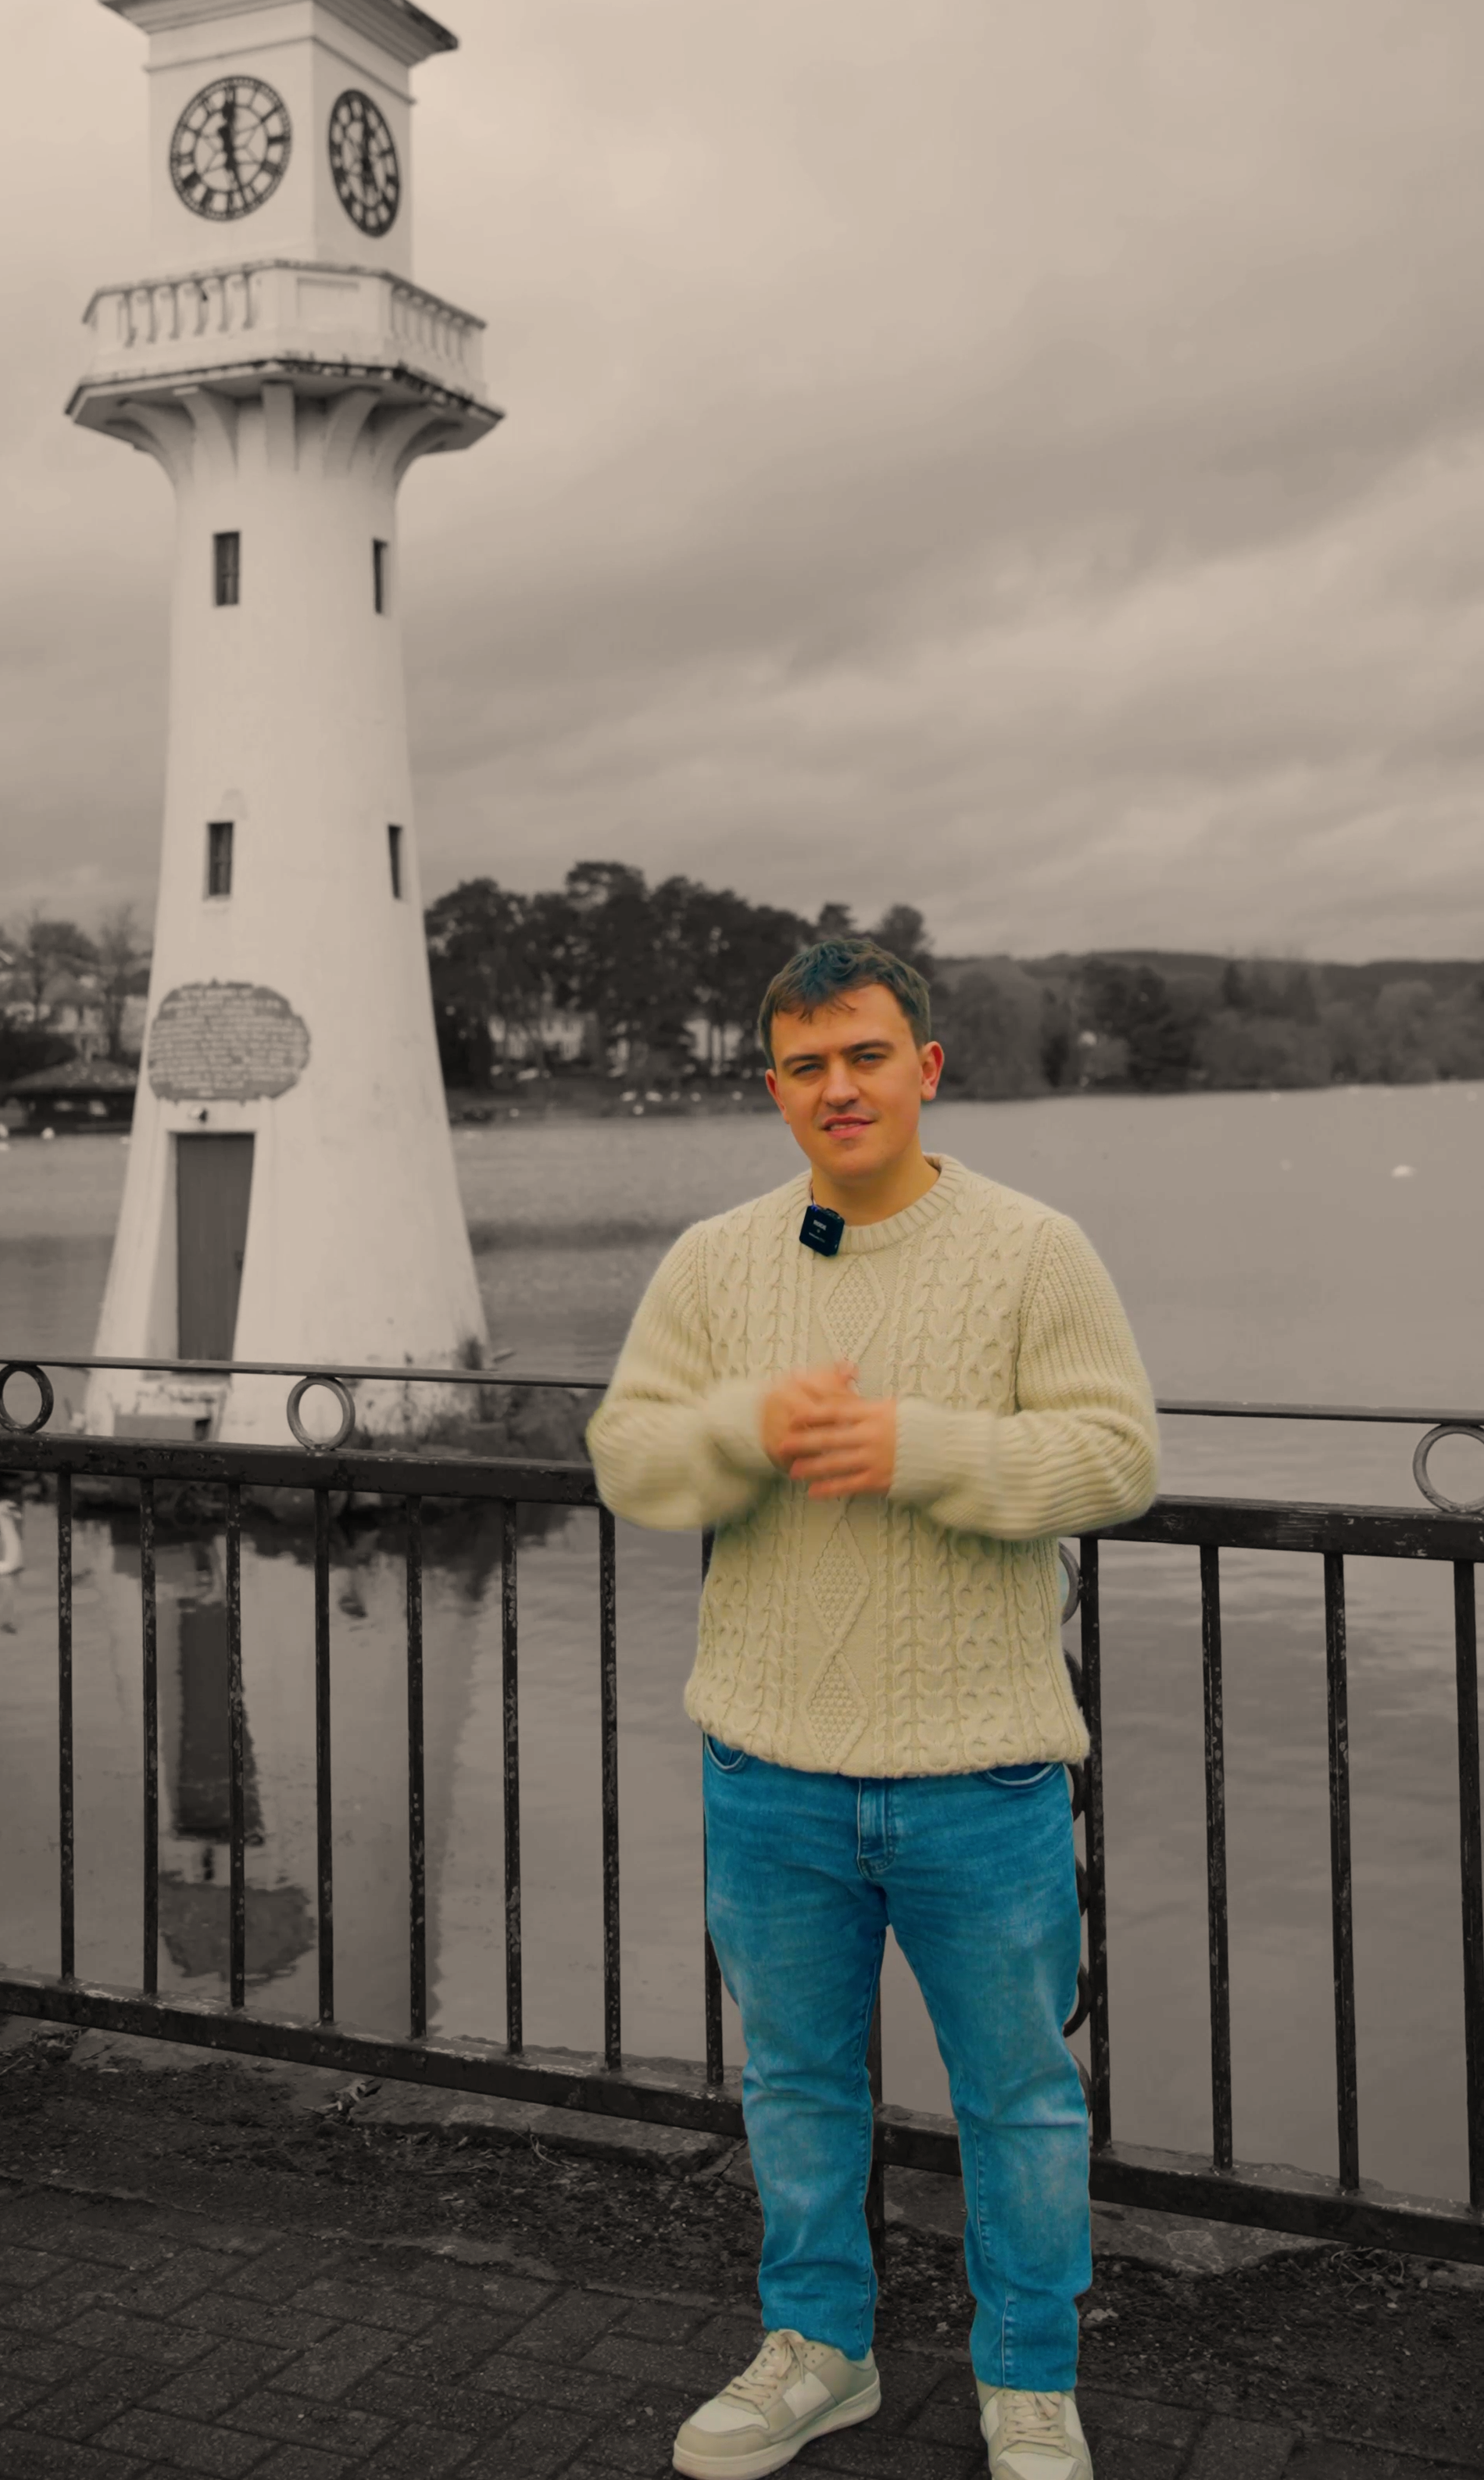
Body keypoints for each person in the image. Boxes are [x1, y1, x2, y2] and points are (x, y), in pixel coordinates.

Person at [588, 938, 1159, 2480]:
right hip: (767, 1767)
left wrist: (917, 1448)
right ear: (774, 1086)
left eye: (864, 1055)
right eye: (805, 1064)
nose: (837, 1087)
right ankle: (820, 2351)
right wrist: (746, 1427)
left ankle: (1029, 2378)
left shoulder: (1034, 1251)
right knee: (793, 2084)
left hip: (984, 1773)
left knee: (1020, 2101)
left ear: (926, 1068)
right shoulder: (715, 1262)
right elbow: (630, 1459)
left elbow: (1117, 1458)